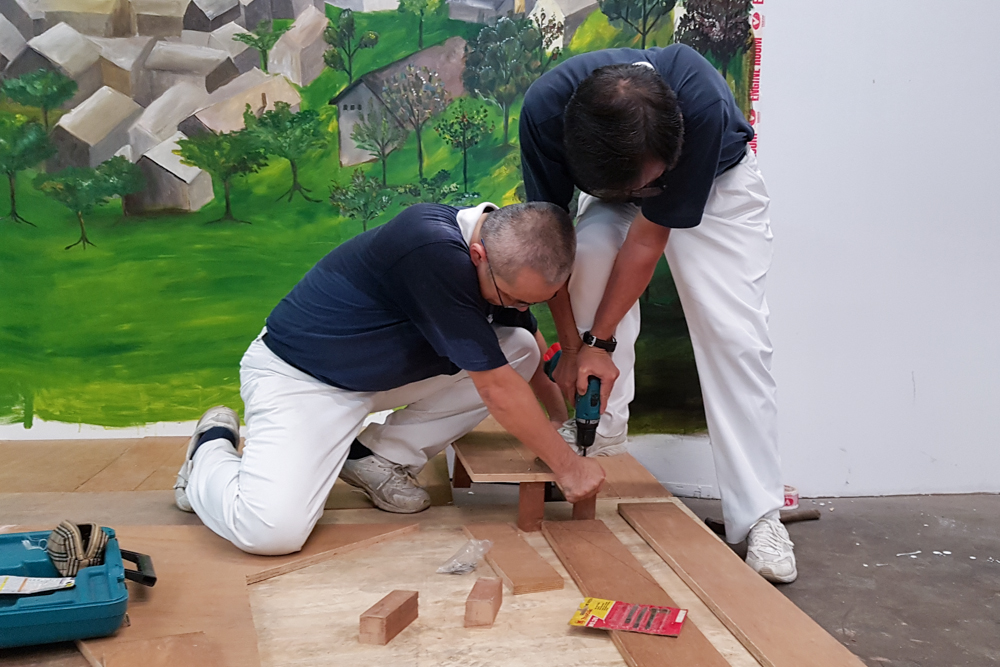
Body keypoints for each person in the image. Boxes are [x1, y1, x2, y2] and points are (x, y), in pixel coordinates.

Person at [173, 201, 605, 555]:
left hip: (380, 372)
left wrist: (559, 417)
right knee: (270, 531)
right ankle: (209, 450)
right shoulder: (429, 248)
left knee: (520, 347)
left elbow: (528, 341)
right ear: (479, 256)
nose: (518, 306)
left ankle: (377, 457)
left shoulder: (505, 250)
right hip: (304, 378)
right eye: (513, 297)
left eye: (532, 301)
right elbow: (497, 389)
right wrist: (570, 468)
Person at [519, 44, 796, 583]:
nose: (642, 194)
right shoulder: (544, 111)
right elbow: (552, 245)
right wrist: (573, 349)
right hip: (619, 180)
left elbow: (647, 242)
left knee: (734, 336)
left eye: (647, 184)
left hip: (718, 184)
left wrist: (598, 345)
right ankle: (601, 431)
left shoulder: (700, 104)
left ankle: (760, 514)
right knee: (590, 254)